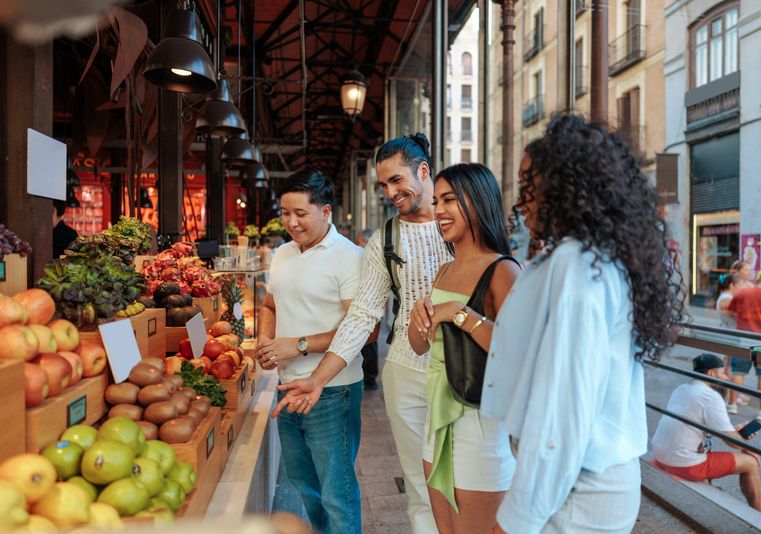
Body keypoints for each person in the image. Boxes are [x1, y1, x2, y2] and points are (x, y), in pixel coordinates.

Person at [481, 114, 685, 533]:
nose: (523, 201)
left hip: (577, 494)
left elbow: (562, 413)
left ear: (564, 185)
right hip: (591, 485)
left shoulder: (578, 265)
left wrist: (515, 522)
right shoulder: (600, 259)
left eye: (529, 185)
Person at [272, 133, 451, 533]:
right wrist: (316, 380)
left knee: (464, 480)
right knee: (420, 487)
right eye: (383, 185)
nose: (390, 192)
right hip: (406, 368)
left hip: (461, 371)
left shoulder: (458, 226)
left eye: (396, 181)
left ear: (424, 171)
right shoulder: (383, 240)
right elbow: (362, 318)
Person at [408, 163, 520, 532]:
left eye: (450, 200)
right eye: (437, 200)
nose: (439, 210)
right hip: (436, 425)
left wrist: (459, 315)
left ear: (478, 201)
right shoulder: (444, 270)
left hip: (479, 425)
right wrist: (418, 319)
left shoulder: (503, 270)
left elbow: (515, 353)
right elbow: (420, 346)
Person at [255, 169, 367, 533]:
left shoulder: (349, 256)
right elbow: (269, 305)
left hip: (334, 390)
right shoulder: (283, 253)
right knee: (307, 488)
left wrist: (299, 345)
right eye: (285, 213)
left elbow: (364, 330)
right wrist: (265, 341)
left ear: (326, 211)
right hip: (289, 387)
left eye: (300, 213)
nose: (291, 222)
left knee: (337, 494)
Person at [650, 354, 761, 512]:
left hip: (659, 453)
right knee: (751, 463)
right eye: (723, 372)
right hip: (682, 463)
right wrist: (749, 449)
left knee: (710, 453)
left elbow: (718, 430)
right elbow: (730, 440)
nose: (726, 377)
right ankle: (760, 517)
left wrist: (736, 433)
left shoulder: (682, 388)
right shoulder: (710, 396)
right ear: (711, 373)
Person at [726, 269, 761, 420]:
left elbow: (731, 311)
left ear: (757, 279)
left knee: (738, 373)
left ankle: (732, 404)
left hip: (743, 338)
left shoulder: (743, 293)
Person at [355, 228, 380, 391]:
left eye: (360, 242)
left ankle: (370, 377)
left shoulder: (371, 258)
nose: (358, 245)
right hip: (364, 304)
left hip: (371, 305)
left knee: (370, 343)